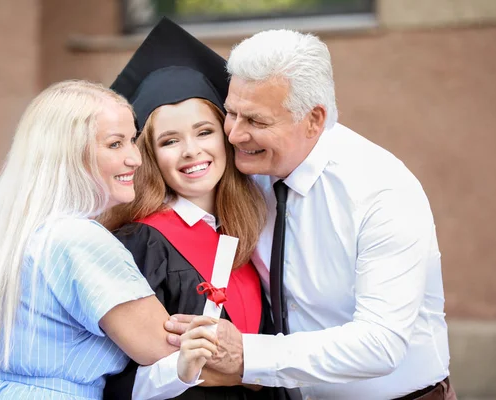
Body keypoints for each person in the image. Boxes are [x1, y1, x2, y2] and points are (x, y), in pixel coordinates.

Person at [165, 29, 457, 400]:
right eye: (231, 113)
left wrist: (247, 353)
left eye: (255, 121)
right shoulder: (246, 172)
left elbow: (380, 343)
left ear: (314, 120)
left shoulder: (382, 191)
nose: (235, 134)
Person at [0, 80, 219, 399]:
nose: (135, 159)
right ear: (70, 153)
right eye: (115, 144)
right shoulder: (80, 240)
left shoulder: (21, 231)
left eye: (133, 141)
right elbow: (164, 348)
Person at [100, 18, 277, 400]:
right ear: (150, 156)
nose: (191, 151)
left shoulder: (249, 232)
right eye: (169, 141)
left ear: (226, 138)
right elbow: (115, 380)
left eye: (204, 131)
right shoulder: (140, 244)